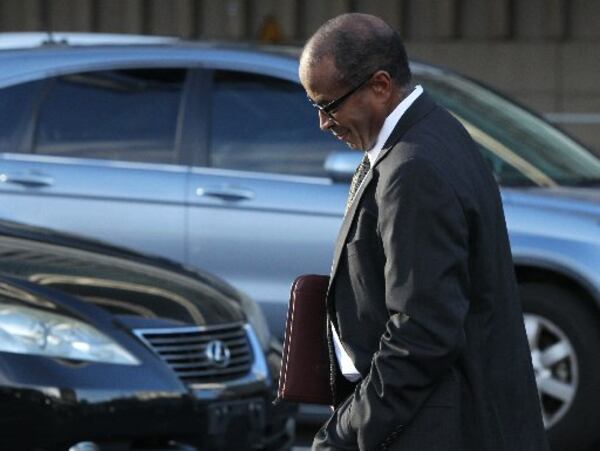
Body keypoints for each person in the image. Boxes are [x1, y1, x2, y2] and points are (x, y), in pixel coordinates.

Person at [298, 13, 549, 451]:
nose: (323, 122)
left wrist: (346, 433)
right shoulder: (436, 131)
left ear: (379, 86)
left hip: (440, 429)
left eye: (329, 105)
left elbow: (422, 334)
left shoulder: (413, 169)